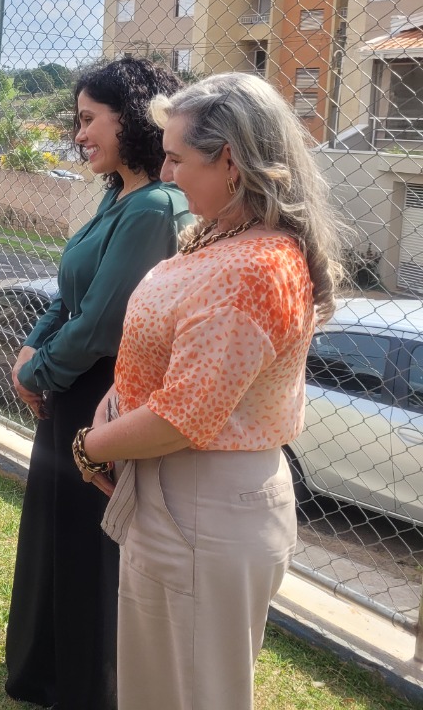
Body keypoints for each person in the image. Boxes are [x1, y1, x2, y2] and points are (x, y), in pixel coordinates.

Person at [75, 73, 342, 710]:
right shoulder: (222, 236)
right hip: (184, 498)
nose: (165, 173)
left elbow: (184, 416)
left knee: (192, 694)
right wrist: (111, 411)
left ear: (229, 161)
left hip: (204, 501)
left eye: (175, 157)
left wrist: (91, 444)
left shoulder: (256, 267)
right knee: (161, 686)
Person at [3, 57, 187, 710]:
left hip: (101, 397)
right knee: (56, 540)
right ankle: (44, 668)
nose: (78, 134)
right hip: (68, 387)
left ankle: (86, 688)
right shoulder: (115, 193)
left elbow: (107, 323)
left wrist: (41, 372)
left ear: (129, 119)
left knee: (87, 552)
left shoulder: (155, 208)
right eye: (76, 120)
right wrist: (31, 348)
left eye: (88, 120)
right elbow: (70, 287)